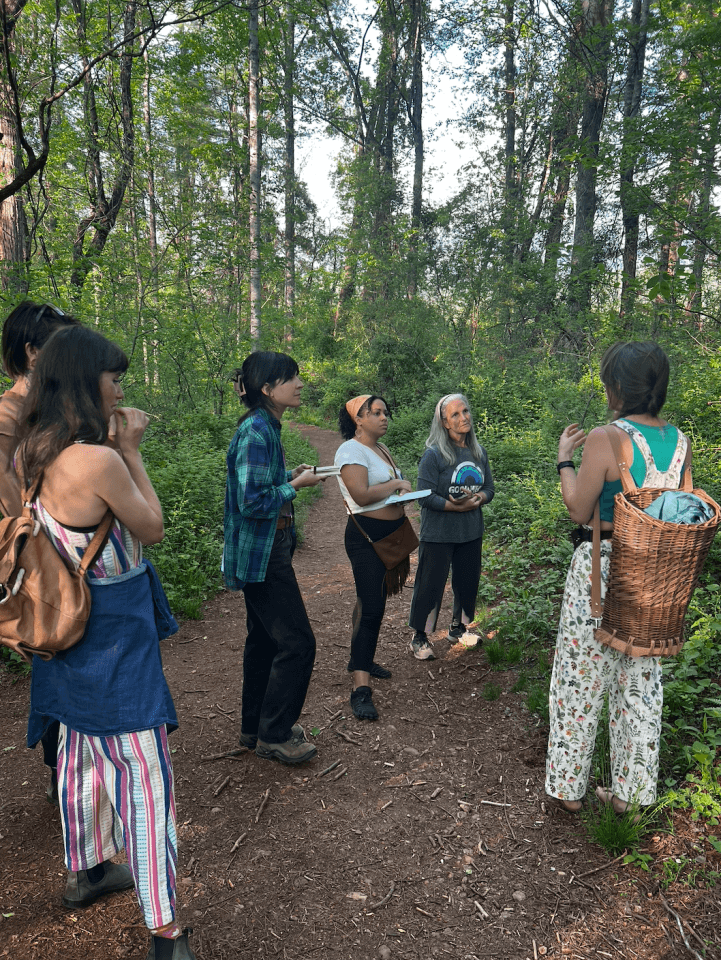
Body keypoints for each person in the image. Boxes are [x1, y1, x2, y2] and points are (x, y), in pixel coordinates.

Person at [19, 326, 195, 960]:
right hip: (112, 635)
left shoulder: (33, 450)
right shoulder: (98, 460)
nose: (120, 387)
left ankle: (88, 868)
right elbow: (152, 526)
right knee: (144, 776)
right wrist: (133, 450)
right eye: (114, 378)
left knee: (80, 753)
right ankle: (166, 930)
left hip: (60, 625)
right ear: (87, 383)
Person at [546, 341, 690, 816]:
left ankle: (569, 787)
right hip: (655, 573)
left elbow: (578, 508)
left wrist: (565, 458)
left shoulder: (607, 438)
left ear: (617, 388)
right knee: (641, 680)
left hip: (602, 569)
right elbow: (678, 510)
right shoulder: (681, 441)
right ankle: (631, 793)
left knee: (580, 676)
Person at [223, 351, 326, 765]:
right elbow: (251, 502)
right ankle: (275, 734)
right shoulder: (256, 431)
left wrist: (288, 476)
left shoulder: (266, 426)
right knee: (298, 643)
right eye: (291, 378)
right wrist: (295, 487)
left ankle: (256, 727)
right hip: (263, 555)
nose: (300, 384)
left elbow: (261, 482)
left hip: (268, 548)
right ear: (267, 388)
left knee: (264, 641)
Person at [0, 301, 79, 806]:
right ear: (32, 353)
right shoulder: (8, 417)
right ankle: (62, 771)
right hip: (34, 559)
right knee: (53, 648)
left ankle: (72, 764)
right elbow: (9, 501)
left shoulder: (50, 412)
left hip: (65, 552)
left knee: (68, 650)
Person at [334, 395, 414, 721]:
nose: (384, 417)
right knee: (371, 608)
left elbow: (384, 492)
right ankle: (360, 689)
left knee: (372, 602)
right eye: (376, 412)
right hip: (366, 539)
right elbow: (361, 494)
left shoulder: (380, 449)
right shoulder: (350, 451)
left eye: (385, 412)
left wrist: (402, 494)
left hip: (389, 537)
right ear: (358, 419)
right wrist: (397, 483)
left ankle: (361, 659)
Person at [408, 394, 495, 660]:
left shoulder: (478, 453)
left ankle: (458, 628)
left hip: (470, 531)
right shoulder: (434, 455)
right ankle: (419, 637)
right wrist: (453, 506)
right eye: (455, 415)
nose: (463, 417)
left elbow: (489, 488)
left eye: (465, 411)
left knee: (467, 582)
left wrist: (479, 498)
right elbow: (423, 496)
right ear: (444, 422)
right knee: (430, 584)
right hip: (439, 533)